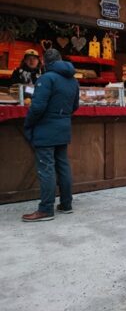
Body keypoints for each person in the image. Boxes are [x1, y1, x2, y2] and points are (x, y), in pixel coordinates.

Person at [22, 49, 79, 222]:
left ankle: (46, 209)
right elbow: (75, 106)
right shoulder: (73, 80)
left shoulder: (46, 78)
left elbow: (37, 107)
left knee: (46, 168)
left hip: (46, 128)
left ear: (45, 63)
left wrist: (29, 123)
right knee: (62, 165)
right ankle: (66, 204)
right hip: (63, 127)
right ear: (60, 60)